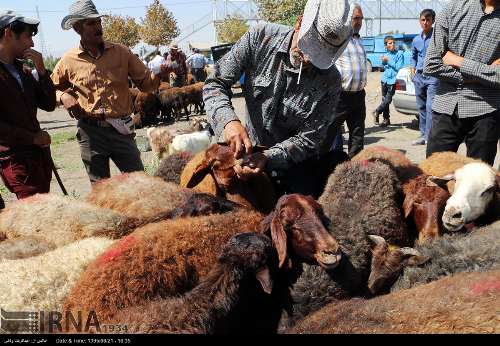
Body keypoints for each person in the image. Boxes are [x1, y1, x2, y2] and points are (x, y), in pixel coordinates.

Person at [204, 0, 353, 198]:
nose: (309, 60)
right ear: (299, 23)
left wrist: (268, 157)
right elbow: (215, 84)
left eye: (320, 55)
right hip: (244, 154)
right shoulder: (259, 37)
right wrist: (228, 122)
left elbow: (309, 139)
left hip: (293, 166)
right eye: (308, 48)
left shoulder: (331, 82)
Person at [52, 0, 168, 183]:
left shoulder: (122, 52)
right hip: (90, 133)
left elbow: (146, 85)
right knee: (100, 190)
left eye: (98, 21)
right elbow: (50, 89)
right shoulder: (68, 60)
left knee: (140, 184)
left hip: (121, 129)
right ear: (77, 28)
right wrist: (63, 95)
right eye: (91, 23)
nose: (98, 27)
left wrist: (160, 74)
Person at [424, 0, 500, 165]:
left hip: (486, 111)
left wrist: (457, 61)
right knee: (433, 179)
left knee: (478, 183)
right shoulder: (453, 9)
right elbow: (431, 65)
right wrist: (483, 73)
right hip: (446, 107)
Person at [0, 10, 56, 200]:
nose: (31, 43)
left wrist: (41, 71)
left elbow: (48, 104)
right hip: (16, 161)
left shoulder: (23, 69)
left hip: (37, 158)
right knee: (35, 220)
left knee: (44, 213)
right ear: (8, 33)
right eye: (27, 36)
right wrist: (32, 138)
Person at [331, 4, 367, 158]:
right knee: (332, 135)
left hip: (358, 96)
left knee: (357, 135)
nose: (359, 22)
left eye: (361, 19)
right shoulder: (337, 40)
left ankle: (355, 168)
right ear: (347, 19)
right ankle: (332, 168)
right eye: (356, 18)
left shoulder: (358, 41)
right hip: (340, 96)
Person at [410, 9, 439, 146]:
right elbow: (413, 56)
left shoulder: (437, 37)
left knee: (430, 107)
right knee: (421, 106)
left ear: (433, 21)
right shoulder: (416, 39)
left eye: (428, 20)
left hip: (433, 77)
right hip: (419, 77)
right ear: (419, 21)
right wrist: (412, 71)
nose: (425, 22)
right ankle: (422, 134)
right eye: (423, 20)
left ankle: (429, 136)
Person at [372, 35, 404, 127]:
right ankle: (386, 119)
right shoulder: (386, 54)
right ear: (386, 45)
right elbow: (384, 67)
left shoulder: (399, 54)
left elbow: (398, 67)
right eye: (390, 43)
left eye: (393, 43)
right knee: (384, 100)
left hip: (393, 81)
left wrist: (388, 61)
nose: (392, 44)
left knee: (388, 100)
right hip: (384, 80)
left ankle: (377, 111)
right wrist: (383, 61)